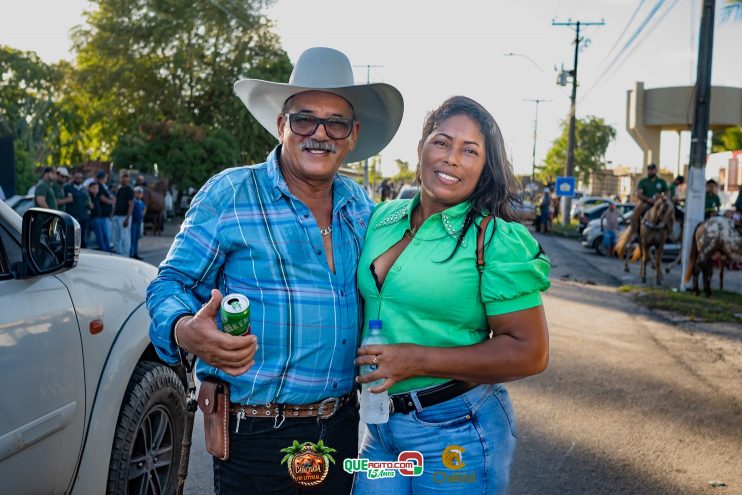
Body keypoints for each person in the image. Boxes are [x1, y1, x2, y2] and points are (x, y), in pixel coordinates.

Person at [146, 47, 403, 494]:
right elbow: (170, 283)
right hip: (256, 435)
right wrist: (184, 329)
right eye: (305, 119)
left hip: (342, 427)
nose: (319, 134)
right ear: (282, 125)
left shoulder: (362, 209)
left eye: (335, 122)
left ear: (352, 135)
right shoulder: (230, 193)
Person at [352, 96, 550, 495]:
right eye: (441, 142)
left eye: (470, 150)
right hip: (379, 425)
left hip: (456, 429)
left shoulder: (494, 239)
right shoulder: (383, 217)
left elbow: (531, 352)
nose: (452, 158)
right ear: (422, 147)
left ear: (484, 166)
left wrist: (417, 359)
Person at [630, 163, 668, 237]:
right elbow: (639, 194)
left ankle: (668, 233)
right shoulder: (643, 181)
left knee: (670, 212)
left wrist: (660, 196)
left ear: (655, 170)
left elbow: (667, 194)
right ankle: (635, 234)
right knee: (634, 215)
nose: (650, 171)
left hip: (659, 203)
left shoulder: (661, 181)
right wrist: (648, 199)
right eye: (649, 170)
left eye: (652, 170)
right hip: (645, 202)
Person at [64, 170, 92, 248]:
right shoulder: (67, 187)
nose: (79, 179)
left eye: (81, 178)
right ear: (73, 177)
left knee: (82, 237)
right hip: (73, 218)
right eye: (77, 177)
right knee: (74, 239)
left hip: (84, 218)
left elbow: (88, 202)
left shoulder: (84, 189)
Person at [111, 170, 134, 255]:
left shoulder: (130, 190)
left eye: (126, 176)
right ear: (120, 177)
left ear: (128, 178)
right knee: (115, 238)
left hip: (124, 217)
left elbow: (131, 205)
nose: (124, 178)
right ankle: (119, 255)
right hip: (116, 216)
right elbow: (116, 203)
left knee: (125, 238)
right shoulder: (118, 189)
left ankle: (126, 256)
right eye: (123, 176)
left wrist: (127, 218)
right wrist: (112, 214)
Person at [87, 181, 111, 252]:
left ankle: (108, 251)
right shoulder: (88, 196)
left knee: (105, 236)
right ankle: (105, 252)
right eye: (94, 188)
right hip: (94, 219)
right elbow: (90, 207)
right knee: (100, 237)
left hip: (101, 218)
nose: (96, 189)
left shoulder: (97, 196)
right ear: (89, 188)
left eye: (97, 188)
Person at [95, 170, 115, 250]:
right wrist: (112, 202)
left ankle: (108, 248)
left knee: (108, 233)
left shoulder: (104, 186)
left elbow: (110, 195)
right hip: (103, 214)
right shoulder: (99, 186)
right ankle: (106, 250)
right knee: (105, 234)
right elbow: (102, 198)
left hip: (107, 214)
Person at [129, 186, 146, 259]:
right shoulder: (133, 201)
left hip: (139, 222)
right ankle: (131, 253)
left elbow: (144, 209)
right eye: (137, 193)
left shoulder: (141, 202)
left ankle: (135, 252)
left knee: (136, 238)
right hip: (133, 222)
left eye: (140, 193)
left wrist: (143, 213)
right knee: (132, 238)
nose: (139, 195)